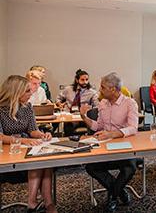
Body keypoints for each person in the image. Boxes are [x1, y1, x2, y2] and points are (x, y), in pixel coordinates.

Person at [80, 72, 139, 212]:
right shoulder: (102, 103)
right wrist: (83, 116)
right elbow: (98, 126)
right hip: (104, 147)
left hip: (124, 146)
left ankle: (112, 196)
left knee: (130, 167)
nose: (100, 90)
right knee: (91, 167)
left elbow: (133, 128)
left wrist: (111, 134)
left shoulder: (130, 103)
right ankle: (119, 192)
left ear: (113, 89)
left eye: (103, 87)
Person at [0, 75, 56, 213]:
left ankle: (48, 203)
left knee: (45, 161)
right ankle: (33, 203)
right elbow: (0, 136)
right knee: (36, 163)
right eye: (27, 91)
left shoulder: (27, 107)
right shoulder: (1, 109)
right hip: (7, 153)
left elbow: (32, 130)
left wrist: (42, 135)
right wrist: (22, 140)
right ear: (15, 92)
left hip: (26, 148)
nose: (31, 94)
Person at [56, 69, 99, 135]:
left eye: (87, 80)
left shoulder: (92, 92)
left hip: (83, 117)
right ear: (77, 80)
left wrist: (89, 109)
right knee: (68, 128)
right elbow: (58, 98)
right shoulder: (68, 89)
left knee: (89, 127)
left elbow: (96, 106)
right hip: (70, 116)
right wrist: (59, 104)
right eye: (82, 80)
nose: (85, 82)